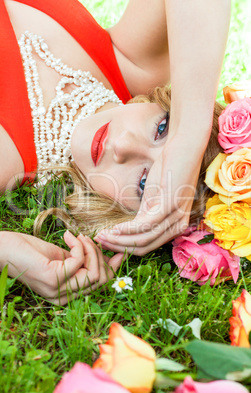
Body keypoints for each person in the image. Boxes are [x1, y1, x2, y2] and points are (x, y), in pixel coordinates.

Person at [0, 0, 230, 304]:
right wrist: (187, 137)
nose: (122, 145)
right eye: (162, 129)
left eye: (144, 182)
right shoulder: (133, 66)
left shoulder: (8, 161)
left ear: (124, 220)